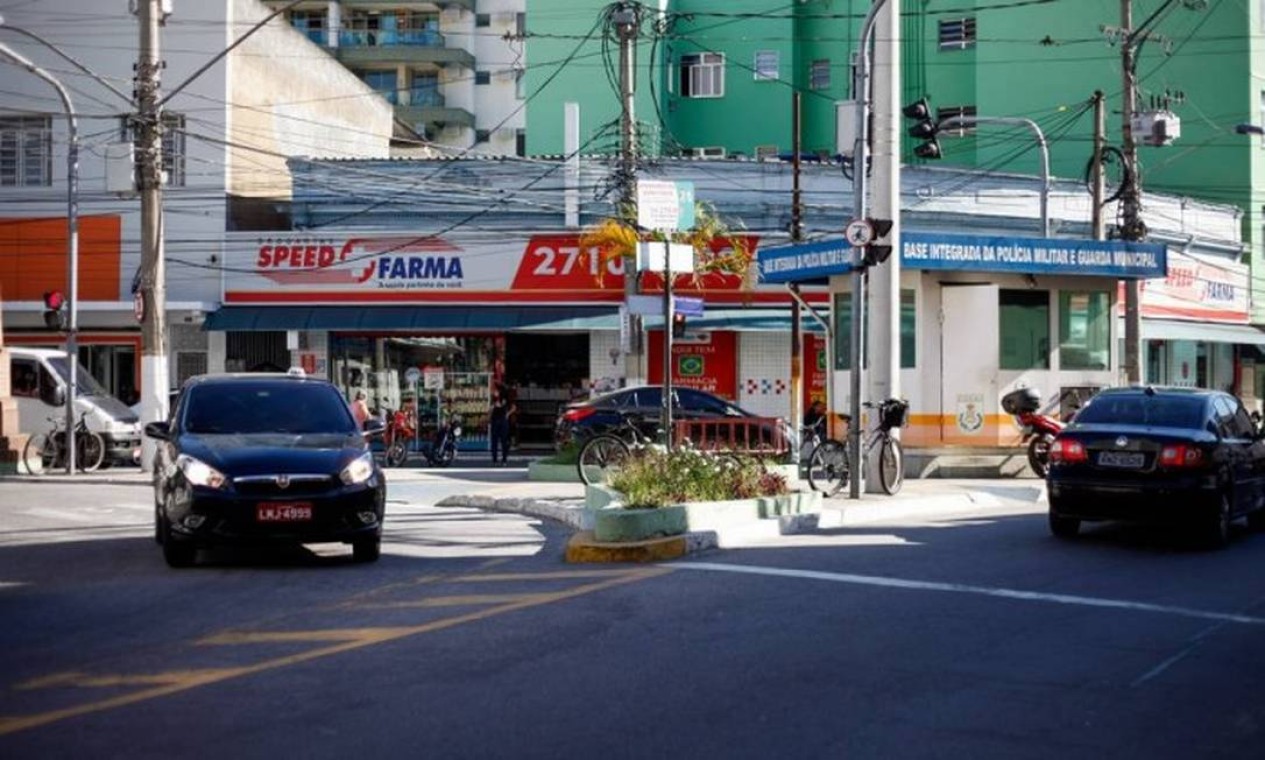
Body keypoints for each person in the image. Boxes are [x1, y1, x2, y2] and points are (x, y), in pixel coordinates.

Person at [489, 386, 514, 465]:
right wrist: (491, 410)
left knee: (504, 441)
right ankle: (494, 459)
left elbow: (513, 407)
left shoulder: (505, 399)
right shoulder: (493, 399)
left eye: (495, 391)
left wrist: (507, 414)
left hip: (503, 420)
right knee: (494, 441)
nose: (494, 392)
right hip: (495, 420)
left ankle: (504, 459)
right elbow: (490, 410)